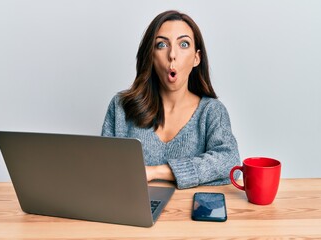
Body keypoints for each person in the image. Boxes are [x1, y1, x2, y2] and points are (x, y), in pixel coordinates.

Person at [101, 10, 240, 189]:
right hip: (131, 212)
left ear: (196, 58)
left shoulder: (212, 111)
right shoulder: (121, 107)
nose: (172, 54)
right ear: (151, 56)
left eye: (183, 44)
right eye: (161, 45)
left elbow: (230, 162)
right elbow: (105, 169)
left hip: (188, 214)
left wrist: (156, 172)